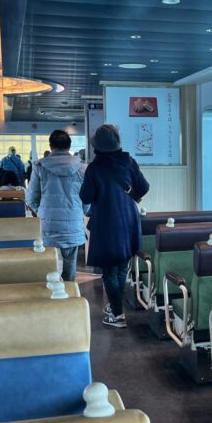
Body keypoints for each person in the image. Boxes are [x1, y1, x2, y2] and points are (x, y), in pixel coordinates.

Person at [80, 124, 149, 328]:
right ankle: (116, 306)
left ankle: (117, 315)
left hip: (107, 222)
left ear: (96, 146)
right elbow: (144, 187)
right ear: (117, 141)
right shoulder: (129, 162)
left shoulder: (94, 168)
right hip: (128, 220)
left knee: (109, 270)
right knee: (121, 267)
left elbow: (86, 196)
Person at [26, 129, 87, 282]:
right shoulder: (82, 168)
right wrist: (80, 212)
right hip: (73, 221)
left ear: (51, 146)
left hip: (48, 223)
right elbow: (87, 199)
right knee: (70, 266)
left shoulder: (40, 166)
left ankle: (50, 300)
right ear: (69, 145)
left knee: (48, 264)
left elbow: (31, 198)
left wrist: (42, 212)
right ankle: (69, 295)